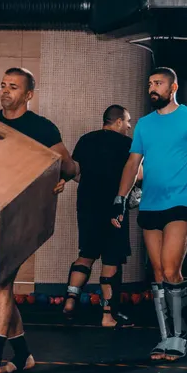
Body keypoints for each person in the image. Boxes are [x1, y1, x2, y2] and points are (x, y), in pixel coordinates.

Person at [111, 67, 187, 361]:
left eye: (158, 83)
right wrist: (120, 198)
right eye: (149, 84)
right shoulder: (144, 125)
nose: (152, 88)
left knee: (171, 270)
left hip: (180, 203)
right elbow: (133, 164)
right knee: (157, 274)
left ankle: (181, 335)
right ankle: (165, 337)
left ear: (173, 87)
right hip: (150, 205)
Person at [0, 67, 77, 373]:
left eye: (13, 87)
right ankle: (23, 355)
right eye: (3, 85)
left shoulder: (42, 128)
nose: (6, 91)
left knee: (2, 283)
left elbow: (69, 166)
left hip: (22, 214)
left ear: (28, 95)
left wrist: (59, 176)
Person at [62, 105, 141, 328]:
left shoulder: (86, 140)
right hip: (113, 207)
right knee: (111, 260)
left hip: (86, 205)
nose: (128, 125)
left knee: (86, 254)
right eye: (127, 121)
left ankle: (70, 299)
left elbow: (76, 172)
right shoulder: (128, 144)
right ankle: (108, 315)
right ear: (117, 122)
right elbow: (138, 174)